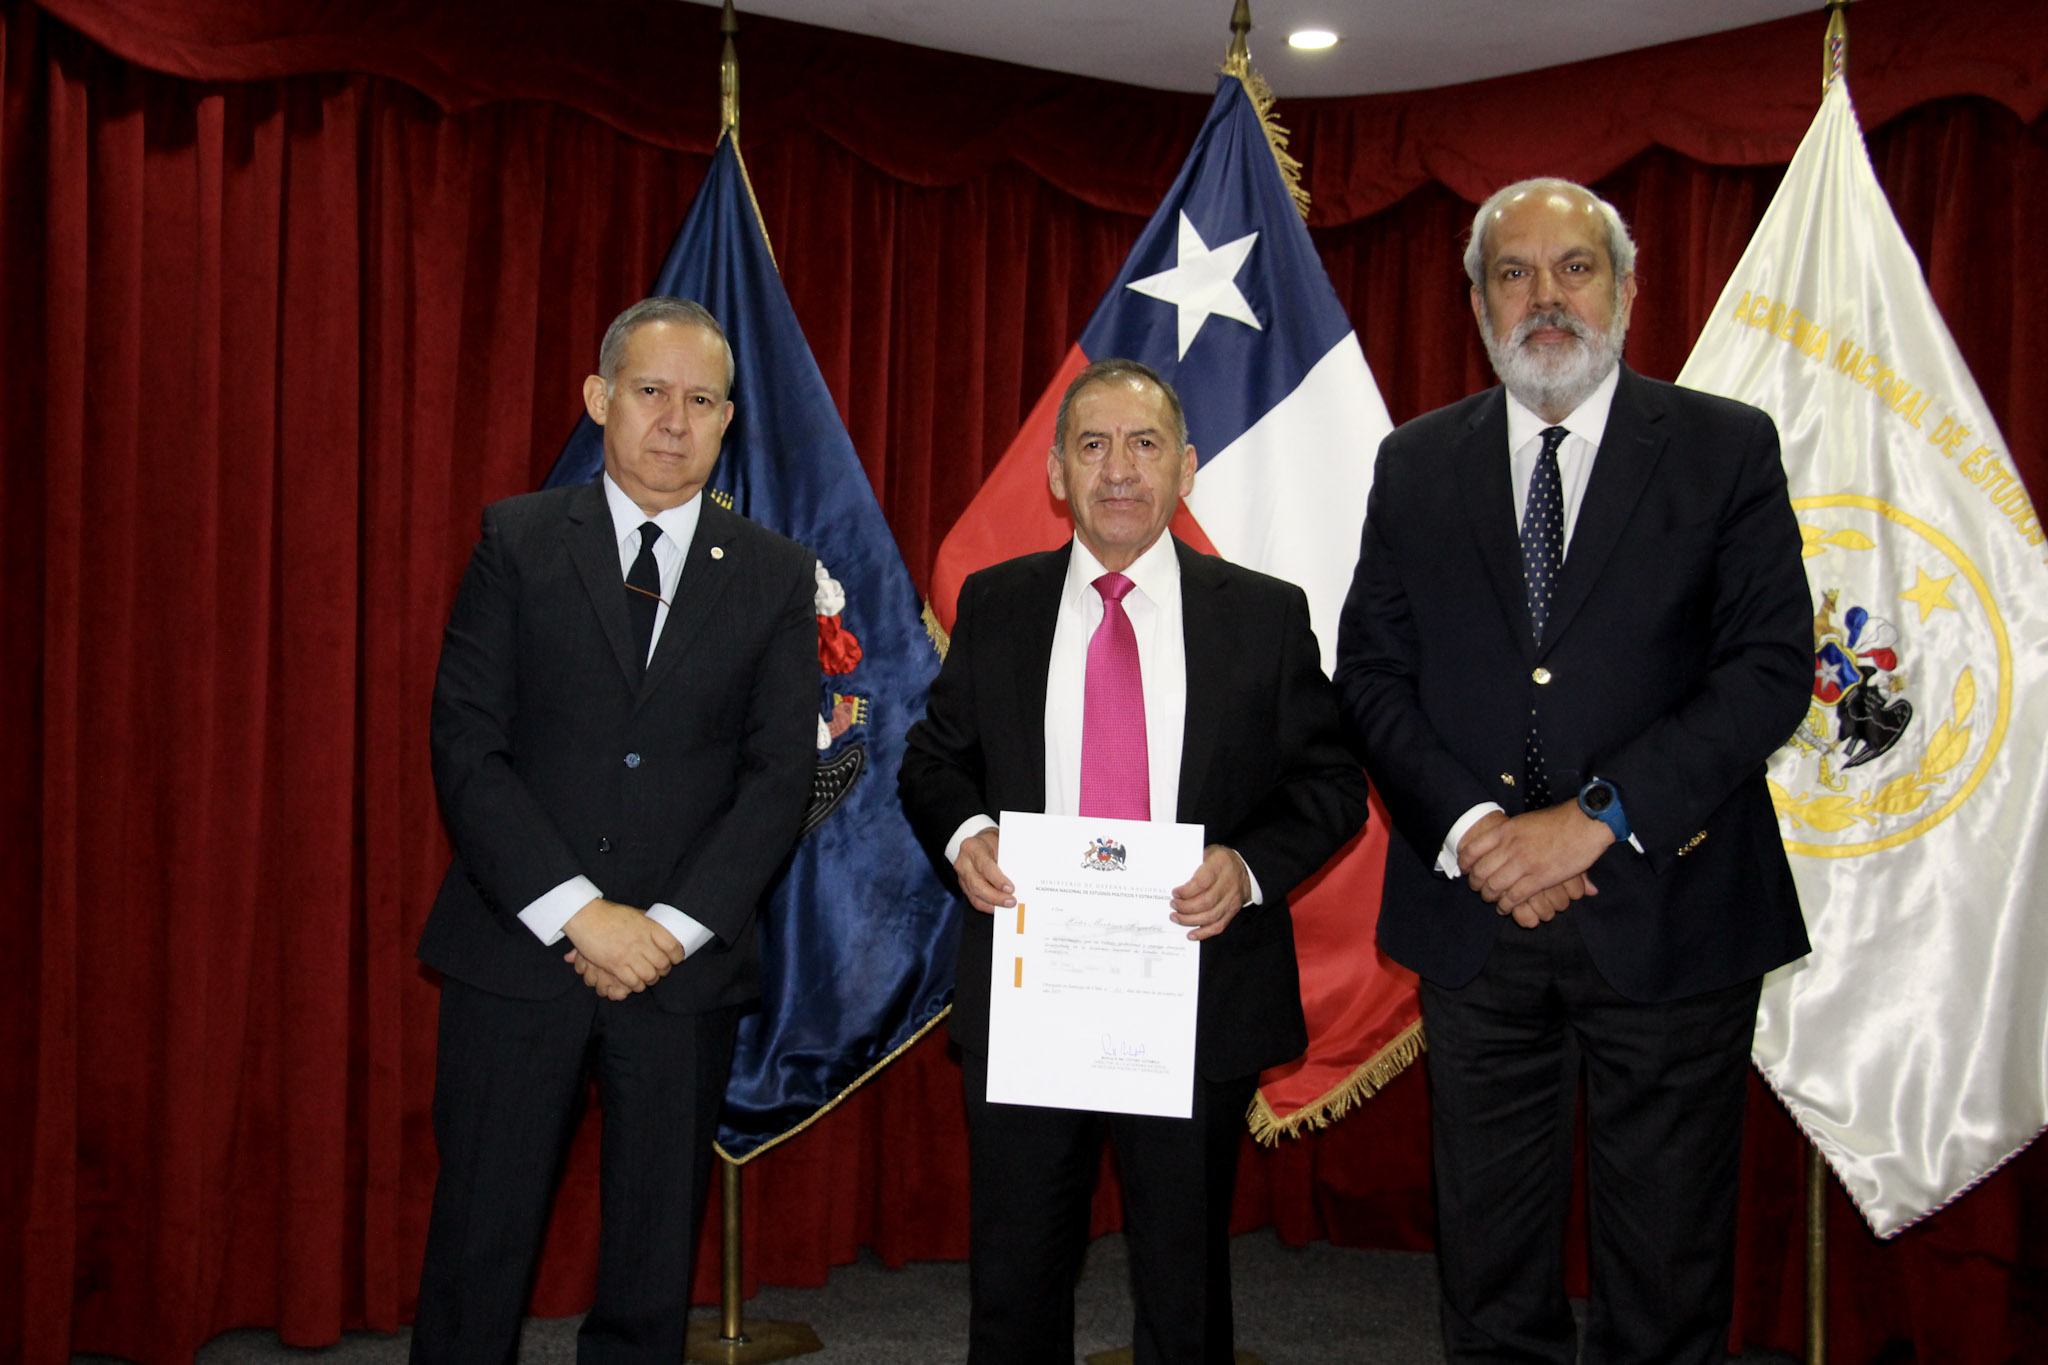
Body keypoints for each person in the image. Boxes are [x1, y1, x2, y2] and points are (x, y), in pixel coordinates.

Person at [1334, 178, 1812, 1364]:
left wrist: (1593, 819)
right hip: (1475, 915)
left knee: (1665, 1274)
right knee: (1489, 1275)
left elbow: (1766, 670)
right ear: (1476, 303)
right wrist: (1477, 833)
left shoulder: (1723, 448)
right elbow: (1372, 677)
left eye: (1573, 268)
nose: (1543, 296)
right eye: (1512, 273)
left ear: (1626, 291)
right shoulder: (1413, 462)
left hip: (1672, 905)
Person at [900, 359, 1368, 1365]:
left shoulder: (1262, 614)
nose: (1119, 470)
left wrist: (1247, 868)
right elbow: (933, 762)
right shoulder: (997, 604)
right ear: (1056, 474)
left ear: (1186, 468)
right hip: (1033, 997)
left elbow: (1329, 784)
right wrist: (965, 835)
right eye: (1093, 445)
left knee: (1183, 1285)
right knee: (1015, 1279)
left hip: (1196, 994)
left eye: (1145, 444)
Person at [411, 297, 818, 1363]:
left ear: (728, 420)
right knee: (478, 1244)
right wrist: (579, 914)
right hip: (518, 952)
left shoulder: (774, 573)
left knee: (650, 1258)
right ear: (599, 398)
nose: (675, 421)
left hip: (680, 974)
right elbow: (468, 746)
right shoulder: (517, 540)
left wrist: (668, 929)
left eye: (702, 400)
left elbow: (779, 776)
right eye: (650, 391)